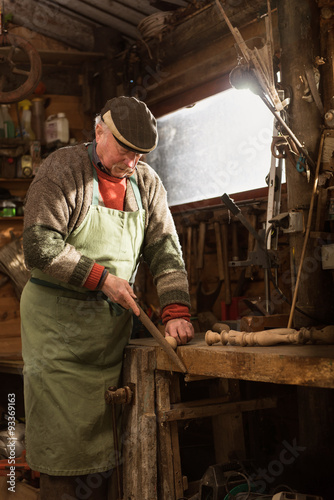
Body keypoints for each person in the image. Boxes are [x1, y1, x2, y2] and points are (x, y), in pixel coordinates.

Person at [20, 96, 194, 499]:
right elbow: (39, 246)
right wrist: (103, 279)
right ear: (99, 131)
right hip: (56, 334)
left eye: (140, 154)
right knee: (63, 450)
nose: (131, 163)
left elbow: (164, 248)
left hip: (107, 336)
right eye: (124, 150)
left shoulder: (146, 183)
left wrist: (175, 311)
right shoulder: (62, 170)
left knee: (106, 452)